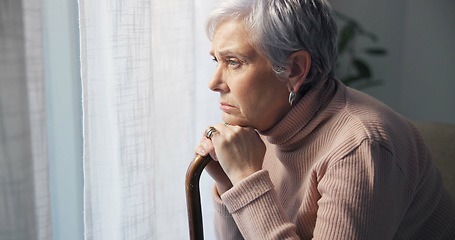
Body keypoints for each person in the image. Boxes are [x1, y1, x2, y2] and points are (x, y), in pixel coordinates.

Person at [194, 0, 455, 239]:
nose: (213, 83)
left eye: (234, 62)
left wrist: (245, 179)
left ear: (294, 69)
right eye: (217, 60)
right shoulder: (263, 122)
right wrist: (229, 184)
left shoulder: (360, 146)